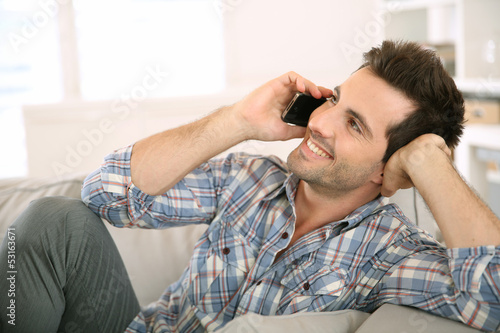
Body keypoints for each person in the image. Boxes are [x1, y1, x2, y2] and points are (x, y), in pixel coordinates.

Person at [1, 40, 499, 332]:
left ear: (388, 170)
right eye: (335, 101)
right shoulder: (248, 178)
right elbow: (105, 192)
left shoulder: (392, 253)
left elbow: (492, 297)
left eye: (356, 126)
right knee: (53, 221)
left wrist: (430, 162)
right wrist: (238, 119)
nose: (322, 124)